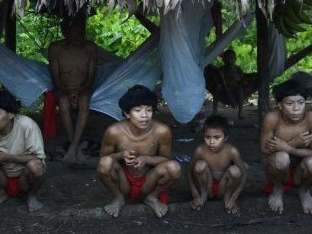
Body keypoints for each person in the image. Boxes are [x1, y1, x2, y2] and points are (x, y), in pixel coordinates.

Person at [96, 85, 182, 218]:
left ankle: (152, 198)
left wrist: (146, 159)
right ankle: (118, 198)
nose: (144, 115)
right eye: (138, 110)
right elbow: (103, 160)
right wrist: (121, 155)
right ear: (127, 113)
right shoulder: (114, 131)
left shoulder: (162, 131)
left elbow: (166, 160)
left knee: (174, 167)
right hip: (124, 181)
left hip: (149, 181)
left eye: (149, 110)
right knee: (105, 163)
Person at [260, 79, 312, 214]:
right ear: (280, 105)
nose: (296, 109)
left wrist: (289, 148)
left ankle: (304, 191)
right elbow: (265, 150)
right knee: (281, 158)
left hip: (301, 170)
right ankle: (277, 189)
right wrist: (295, 142)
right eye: (289, 103)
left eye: (301, 103)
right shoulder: (272, 118)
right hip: (277, 169)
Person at [48, 13, 97, 163]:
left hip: (84, 88)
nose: (79, 36)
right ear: (65, 33)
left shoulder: (90, 48)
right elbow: (55, 78)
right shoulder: (56, 48)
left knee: (85, 101)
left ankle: (73, 147)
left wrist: (79, 90)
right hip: (62, 88)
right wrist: (68, 91)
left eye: (82, 31)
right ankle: (73, 144)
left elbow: (91, 77)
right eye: (75, 32)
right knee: (63, 102)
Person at [187, 115, 247, 214]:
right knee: (199, 165)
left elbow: (244, 174)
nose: (211, 142)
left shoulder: (232, 151)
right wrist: (195, 194)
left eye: (217, 137)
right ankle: (203, 195)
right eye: (207, 137)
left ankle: (227, 198)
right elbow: (188, 171)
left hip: (224, 188)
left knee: (235, 171)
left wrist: (234, 198)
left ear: (226, 137)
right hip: (207, 186)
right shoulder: (200, 150)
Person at [211, 50, 245, 119]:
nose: (229, 61)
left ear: (235, 59)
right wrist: (223, 82)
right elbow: (216, 81)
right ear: (223, 60)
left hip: (235, 91)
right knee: (217, 87)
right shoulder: (221, 70)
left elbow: (243, 79)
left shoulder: (237, 69)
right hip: (223, 92)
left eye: (231, 58)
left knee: (240, 89)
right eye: (227, 59)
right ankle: (215, 110)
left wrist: (237, 82)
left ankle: (240, 112)